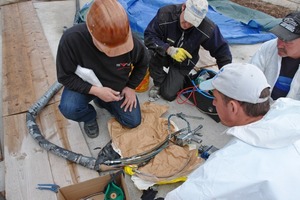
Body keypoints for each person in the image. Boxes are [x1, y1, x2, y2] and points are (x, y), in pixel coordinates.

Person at [165, 63, 300, 199]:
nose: (213, 103)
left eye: (216, 99)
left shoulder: (226, 165)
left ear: (233, 107)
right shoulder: (291, 110)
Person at [56, 0, 149, 138]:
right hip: (86, 85)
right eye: (110, 48)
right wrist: (96, 91)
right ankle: (89, 117)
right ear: (91, 32)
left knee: (132, 121)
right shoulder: (71, 40)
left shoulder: (131, 41)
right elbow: (64, 76)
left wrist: (130, 87)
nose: (116, 52)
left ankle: (103, 101)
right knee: (69, 108)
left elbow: (143, 63)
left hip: (116, 88)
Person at [144, 0, 232, 101]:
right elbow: (149, 36)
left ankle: (181, 80)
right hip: (162, 53)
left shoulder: (207, 28)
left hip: (183, 62)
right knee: (148, 53)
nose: (186, 25)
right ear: (183, 7)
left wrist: (226, 78)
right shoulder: (166, 14)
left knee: (168, 94)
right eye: (186, 19)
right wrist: (168, 49)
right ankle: (159, 82)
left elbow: (222, 51)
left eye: (192, 23)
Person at [250, 11, 300, 101]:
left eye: (287, 40)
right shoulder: (268, 48)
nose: (279, 45)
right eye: (280, 37)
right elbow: (251, 79)